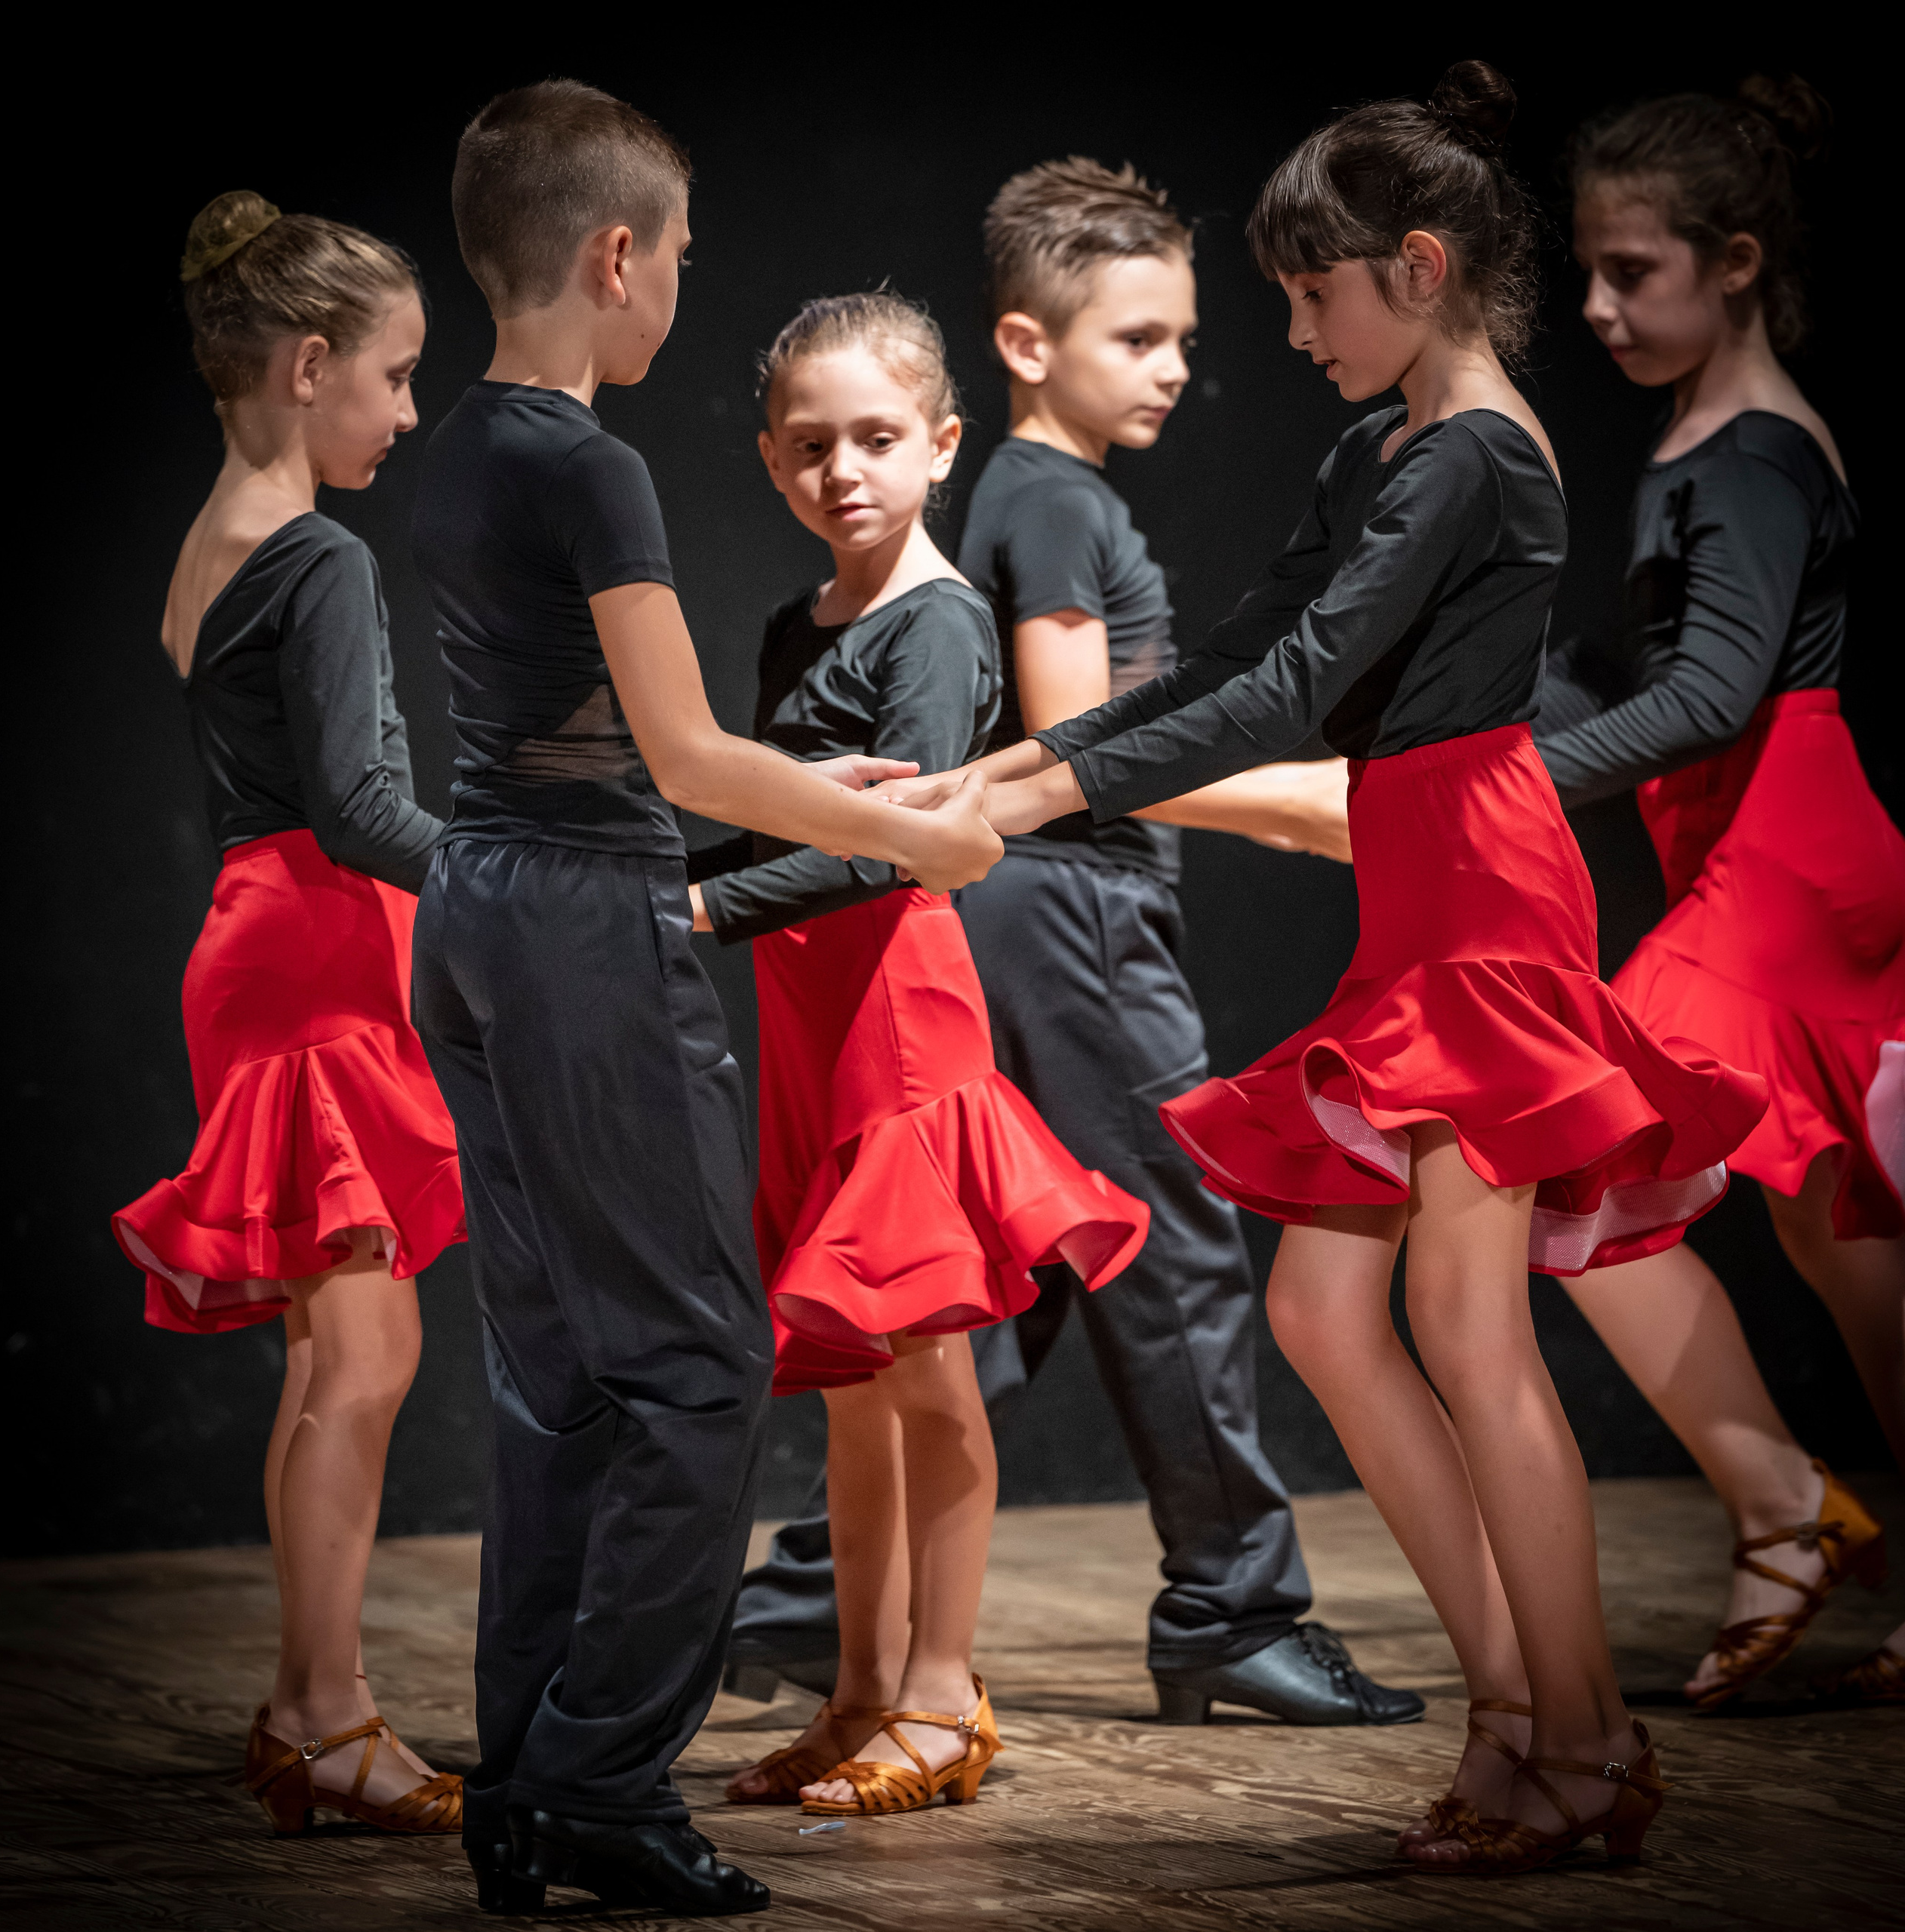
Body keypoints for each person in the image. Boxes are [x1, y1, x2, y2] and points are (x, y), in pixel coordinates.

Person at [888, 63, 1769, 1875]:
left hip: (1487, 884)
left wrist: (1048, 787)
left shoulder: (1476, 450)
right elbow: (1236, 641)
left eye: (1313, 293)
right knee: (1317, 1313)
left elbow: (1291, 698)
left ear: (1422, 268)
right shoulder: (1382, 445)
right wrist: (1002, 769)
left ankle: (1572, 1741)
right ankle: (1527, 1713)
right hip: (1424, 888)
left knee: (1460, 1322)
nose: (1291, 332)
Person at [407, 83, 1001, 1917]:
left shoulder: (445, 445)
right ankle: (595, 1780)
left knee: (560, 1372)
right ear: (615, 257)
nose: (673, 278)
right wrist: (915, 842)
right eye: (671, 253)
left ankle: (524, 1773)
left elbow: (628, 748)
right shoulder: (591, 463)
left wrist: (838, 805)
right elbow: (680, 755)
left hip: (473, 905)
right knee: (694, 1359)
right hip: (582, 911)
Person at [733, 159, 1423, 1733]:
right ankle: (1231, 1604)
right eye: (1136, 336)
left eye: (1182, 335)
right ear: (1028, 350)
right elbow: (1075, 742)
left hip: (1043, 920)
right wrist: (1308, 804)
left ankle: (816, 1582)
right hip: (1076, 917)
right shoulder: (1050, 501)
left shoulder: (1041, 500)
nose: (1175, 365)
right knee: (1168, 1251)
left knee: (1025, 1267)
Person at [688, 293, 1147, 1816]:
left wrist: (696, 902)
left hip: (898, 1015)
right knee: (852, 1378)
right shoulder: (787, 626)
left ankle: (943, 1695)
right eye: (810, 445)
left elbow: (895, 855)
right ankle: (859, 1690)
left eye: (877, 439)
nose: (843, 472)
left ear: (942, 444)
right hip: (806, 1021)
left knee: (926, 1358)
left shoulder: (943, 622)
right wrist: (677, 865)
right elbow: (784, 821)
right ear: (768, 459)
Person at [1536, 75, 1902, 1710]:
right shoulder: (1703, 437)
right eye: (1589, 273)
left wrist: (1506, 776)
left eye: (1634, 273)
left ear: (1735, 259)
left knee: (1580, 1164)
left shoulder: (1746, 451)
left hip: (1781, 853)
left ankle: (1775, 1499)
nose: (1599, 307)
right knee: (1838, 1234)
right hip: (1756, 839)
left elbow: (1708, 697)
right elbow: (1678, 679)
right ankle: (1787, 1504)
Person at [112, 192, 466, 1837]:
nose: (403, 414)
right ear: (310, 362)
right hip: (318, 944)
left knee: (329, 1352)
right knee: (365, 1347)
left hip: (259, 942)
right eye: (392, 378)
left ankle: (303, 1700)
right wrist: (533, 879)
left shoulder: (206, 543)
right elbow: (362, 810)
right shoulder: (315, 551)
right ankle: (321, 1708)